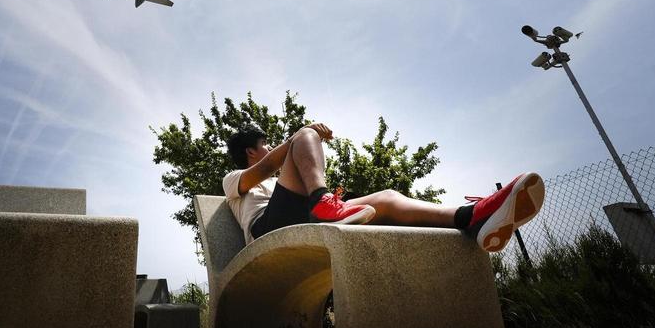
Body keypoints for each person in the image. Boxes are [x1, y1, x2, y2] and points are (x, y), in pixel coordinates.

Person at [223, 124, 543, 251]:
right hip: (267, 232)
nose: (270, 148)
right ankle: (324, 203)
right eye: (265, 144)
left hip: (301, 220)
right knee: (305, 134)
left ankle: (471, 217)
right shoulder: (234, 180)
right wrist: (302, 135)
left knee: (387, 199)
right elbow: (265, 168)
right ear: (250, 151)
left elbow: (279, 172)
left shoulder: (282, 183)